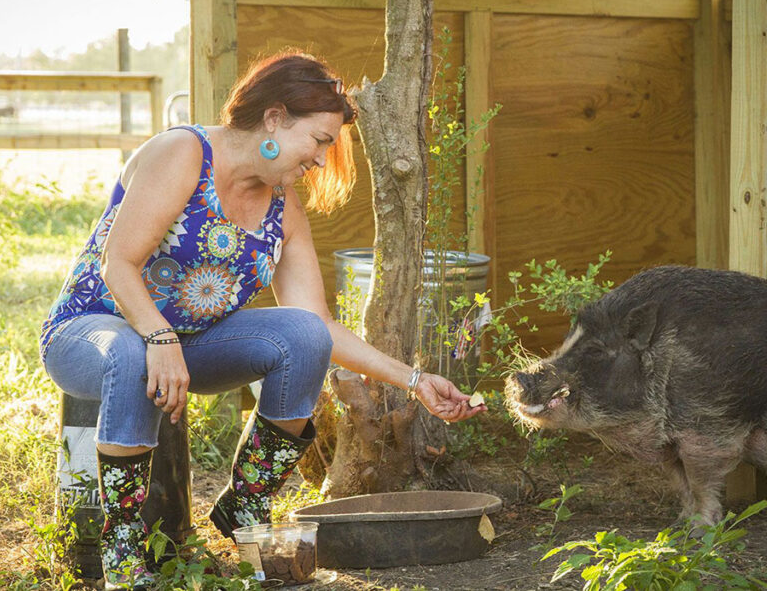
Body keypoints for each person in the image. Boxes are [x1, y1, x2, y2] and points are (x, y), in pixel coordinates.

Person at [39, 51, 484, 588]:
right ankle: (124, 553)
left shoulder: (281, 206)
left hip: (188, 347)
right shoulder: (184, 153)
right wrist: (157, 335)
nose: (322, 158)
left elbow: (316, 322)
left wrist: (414, 381)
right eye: (320, 140)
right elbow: (119, 263)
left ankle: (245, 505)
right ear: (275, 118)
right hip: (93, 330)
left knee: (303, 334)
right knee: (134, 355)